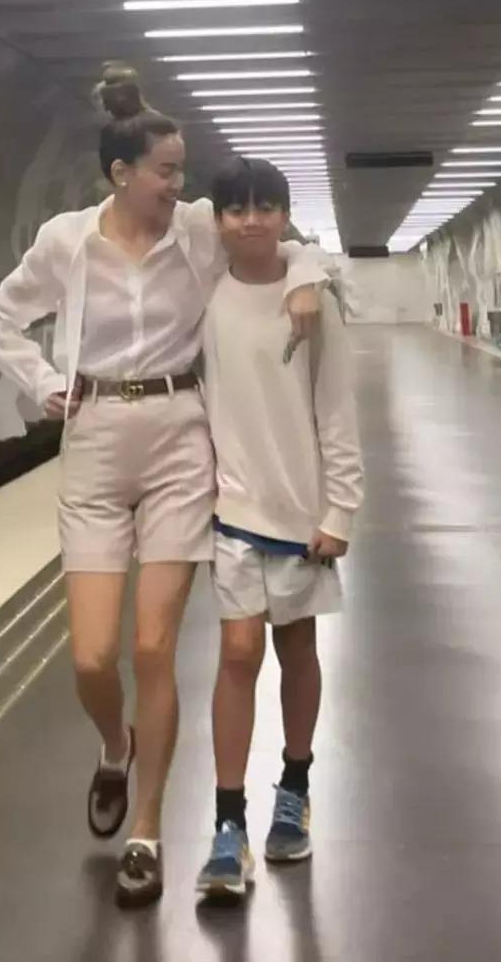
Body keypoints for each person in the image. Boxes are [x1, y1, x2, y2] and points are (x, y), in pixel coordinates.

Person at [0, 65, 323, 909]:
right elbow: (2, 315)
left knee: (152, 650)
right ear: (121, 174)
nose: (181, 184)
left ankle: (146, 831)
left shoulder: (200, 230)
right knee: (93, 658)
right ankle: (115, 746)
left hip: (179, 437)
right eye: (167, 171)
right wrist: (42, 382)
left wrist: (307, 280)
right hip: (95, 438)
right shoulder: (67, 241)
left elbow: (287, 240)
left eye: (182, 170)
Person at [195, 157, 364, 899]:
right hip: (232, 508)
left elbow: (337, 408)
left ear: (285, 216)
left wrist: (340, 509)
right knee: (238, 652)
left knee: (297, 647)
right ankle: (227, 823)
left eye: (266, 207)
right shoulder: (207, 291)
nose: (251, 221)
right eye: (236, 209)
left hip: (300, 512)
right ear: (218, 220)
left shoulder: (313, 304)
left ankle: (295, 787)